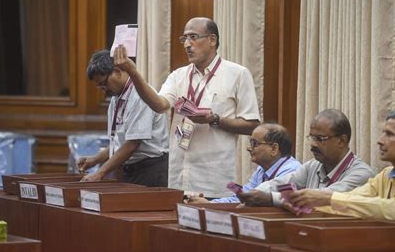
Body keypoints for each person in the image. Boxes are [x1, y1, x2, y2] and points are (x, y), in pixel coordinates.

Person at [114, 17, 260, 198]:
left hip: (214, 180)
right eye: (184, 39)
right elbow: (159, 105)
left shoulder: (237, 74)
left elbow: (252, 125)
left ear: (212, 40)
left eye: (193, 37)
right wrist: (133, 73)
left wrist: (215, 120)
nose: (187, 45)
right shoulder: (178, 76)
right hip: (179, 178)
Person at [286, 110, 395, 251]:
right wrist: (306, 203)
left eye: (389, 134)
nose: (379, 140)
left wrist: (327, 198)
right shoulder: (386, 174)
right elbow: (353, 199)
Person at [237, 109, 375, 207]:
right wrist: (255, 194)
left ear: (341, 141)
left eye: (321, 139)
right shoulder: (312, 166)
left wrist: (270, 198)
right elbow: (282, 184)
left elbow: (321, 197)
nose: (313, 144)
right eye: (312, 137)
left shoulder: (362, 174)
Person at [78, 50, 170, 187]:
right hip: (129, 170)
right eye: (99, 86)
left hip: (150, 170)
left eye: (103, 83)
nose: (103, 89)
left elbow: (132, 143)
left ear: (118, 72)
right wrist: (95, 160)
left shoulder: (140, 96)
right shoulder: (116, 98)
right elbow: (118, 142)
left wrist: (100, 173)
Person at [188, 123, 301, 203]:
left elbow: (254, 198)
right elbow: (241, 197)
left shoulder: (291, 171)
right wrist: (209, 205)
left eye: (254, 143)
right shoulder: (262, 170)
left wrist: (209, 206)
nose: (248, 148)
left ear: (274, 149)